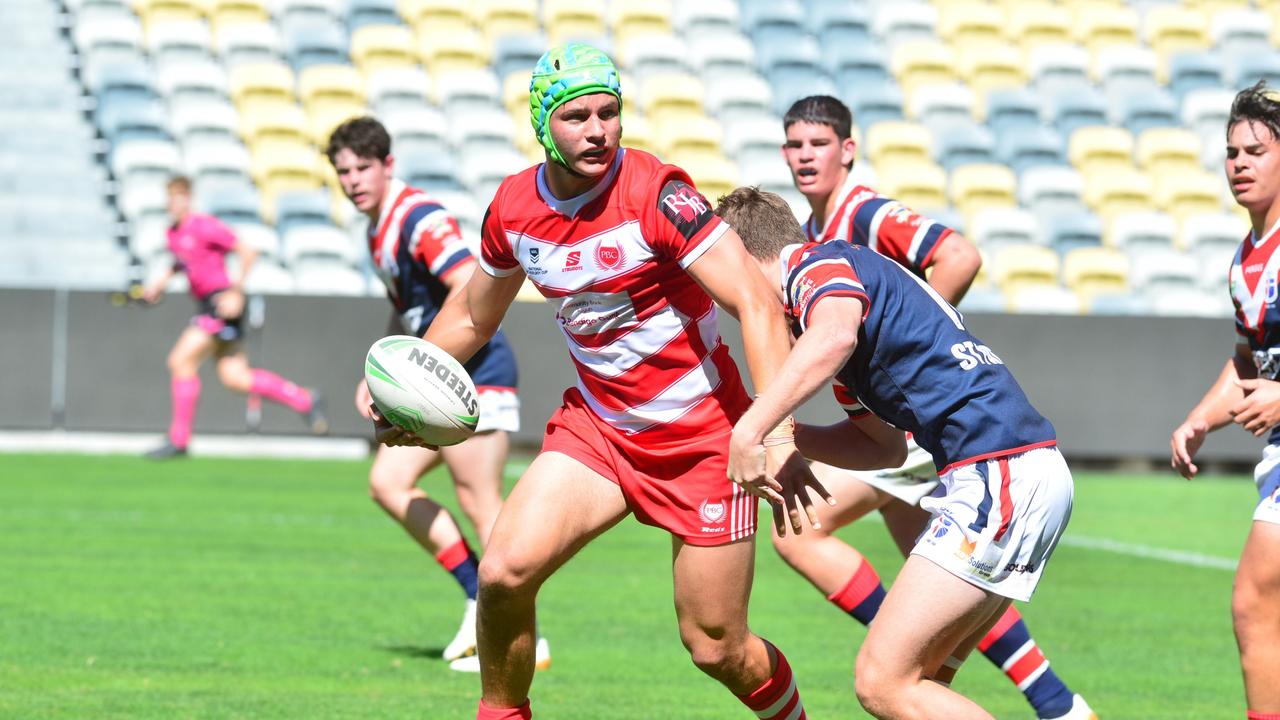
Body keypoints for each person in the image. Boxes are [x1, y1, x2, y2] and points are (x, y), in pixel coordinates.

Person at [374, 44, 825, 719]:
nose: (597, 129)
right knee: (503, 572)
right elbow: (472, 313)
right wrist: (408, 387)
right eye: (576, 116)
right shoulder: (514, 208)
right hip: (602, 432)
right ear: (542, 125)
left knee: (715, 647)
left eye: (609, 112)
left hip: (703, 442)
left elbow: (757, 305)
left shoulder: (659, 195)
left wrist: (776, 433)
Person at [775, 96, 1094, 720]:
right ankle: (1055, 703)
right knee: (934, 603)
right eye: (794, 144)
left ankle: (922, 655)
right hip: (915, 427)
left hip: (933, 423)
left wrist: (914, 343)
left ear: (848, 149)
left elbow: (959, 255)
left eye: (818, 143)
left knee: (812, 543)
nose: (804, 155)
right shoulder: (810, 238)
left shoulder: (862, 213)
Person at [717, 186, 1075, 719]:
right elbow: (880, 449)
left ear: (741, 261)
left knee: (882, 684)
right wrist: (790, 438)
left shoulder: (817, 264)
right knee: (921, 684)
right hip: (1010, 471)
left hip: (999, 473)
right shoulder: (835, 312)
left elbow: (834, 335)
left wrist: (755, 425)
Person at [325, 117, 541, 670]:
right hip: (431, 374)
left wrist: (418, 368)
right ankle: (477, 594)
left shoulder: (418, 217)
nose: (352, 181)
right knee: (387, 482)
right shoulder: (378, 227)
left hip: (472, 373)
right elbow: (409, 310)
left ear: (388, 165)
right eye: (343, 171)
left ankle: (524, 636)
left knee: (479, 499)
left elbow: (469, 286)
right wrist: (381, 369)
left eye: (362, 168)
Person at [1171, 81, 1280, 720]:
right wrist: (1200, 417)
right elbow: (1246, 363)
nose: (1238, 162)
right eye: (1231, 152)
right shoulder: (1246, 261)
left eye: (1256, 151)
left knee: (1253, 601)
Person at [143, 176, 327, 459]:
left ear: (188, 198)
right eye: (170, 197)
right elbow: (181, 263)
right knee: (236, 379)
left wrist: (236, 291)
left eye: (179, 196)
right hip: (206, 304)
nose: (174, 202)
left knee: (180, 361)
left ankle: (179, 440)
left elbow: (247, 251)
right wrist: (159, 284)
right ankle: (303, 399)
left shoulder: (204, 225)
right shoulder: (173, 234)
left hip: (222, 303)